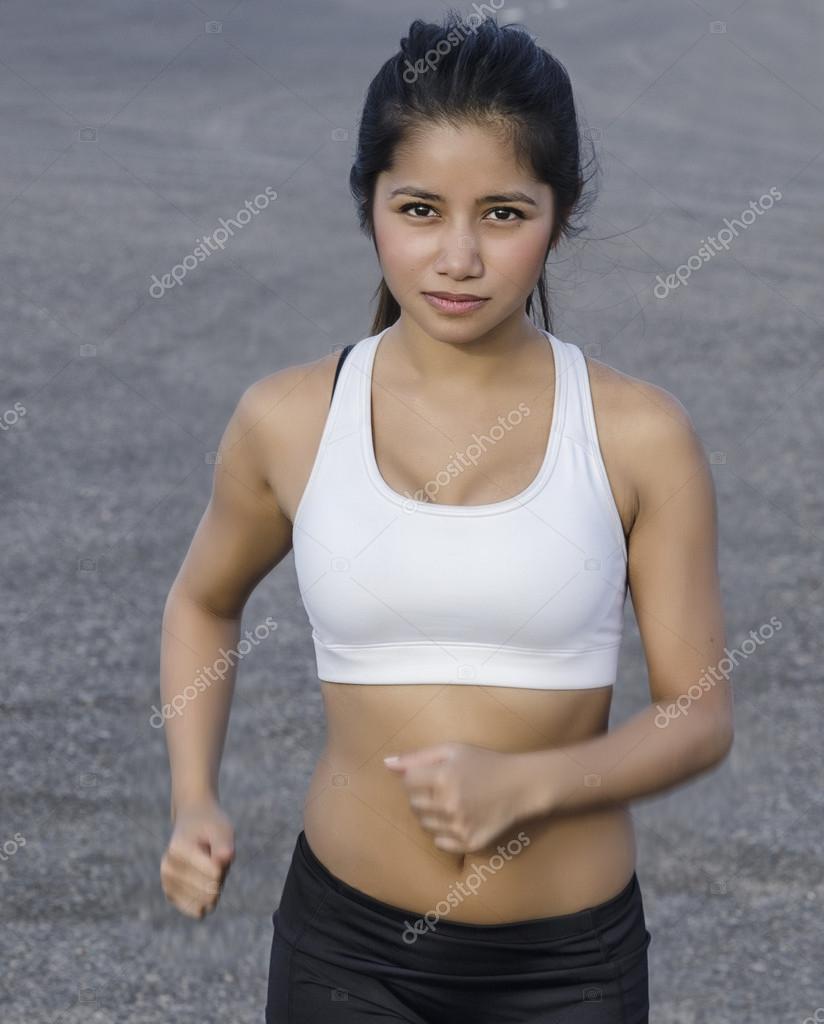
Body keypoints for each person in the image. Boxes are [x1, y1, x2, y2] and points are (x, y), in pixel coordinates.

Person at [159, 11, 734, 1023]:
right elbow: (202, 603)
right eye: (418, 209)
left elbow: (700, 716)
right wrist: (195, 797)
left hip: (570, 972)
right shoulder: (289, 420)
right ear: (369, 206)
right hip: (345, 957)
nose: (457, 256)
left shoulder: (637, 435)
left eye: (504, 214)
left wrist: (533, 784)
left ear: (557, 214)